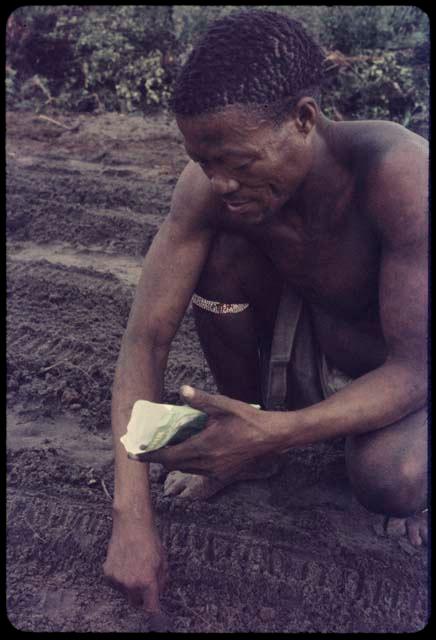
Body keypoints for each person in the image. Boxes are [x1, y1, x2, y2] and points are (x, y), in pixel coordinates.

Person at [103, 9, 428, 617]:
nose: (219, 181)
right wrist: (131, 516)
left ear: (303, 119)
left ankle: (261, 437)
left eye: (238, 161)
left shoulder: (401, 174)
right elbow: (144, 339)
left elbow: (415, 367)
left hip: (401, 359)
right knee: (221, 258)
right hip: (314, 337)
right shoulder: (208, 189)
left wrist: (274, 434)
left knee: (394, 481)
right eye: (204, 161)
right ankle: (246, 422)